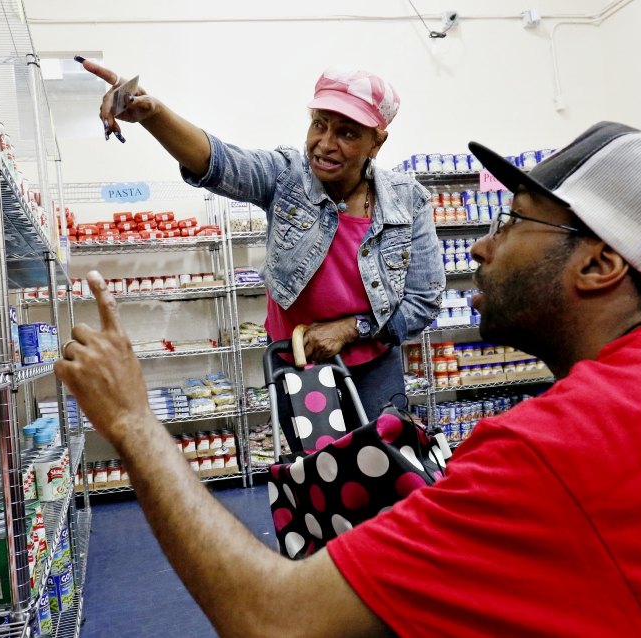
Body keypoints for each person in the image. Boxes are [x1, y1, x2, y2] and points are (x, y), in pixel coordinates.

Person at [56, 121, 641, 637]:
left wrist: (132, 422)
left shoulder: (553, 453)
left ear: (600, 266)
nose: (480, 245)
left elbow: (271, 620)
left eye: (512, 222)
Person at [79, 60, 444, 428]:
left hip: (374, 369)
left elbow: (423, 301)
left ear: (376, 142)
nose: (325, 144)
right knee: (316, 474)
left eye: (347, 133)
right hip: (299, 364)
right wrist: (152, 114)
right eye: (319, 124)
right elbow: (220, 162)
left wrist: (352, 329)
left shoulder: (408, 200)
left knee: (383, 468)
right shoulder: (287, 176)